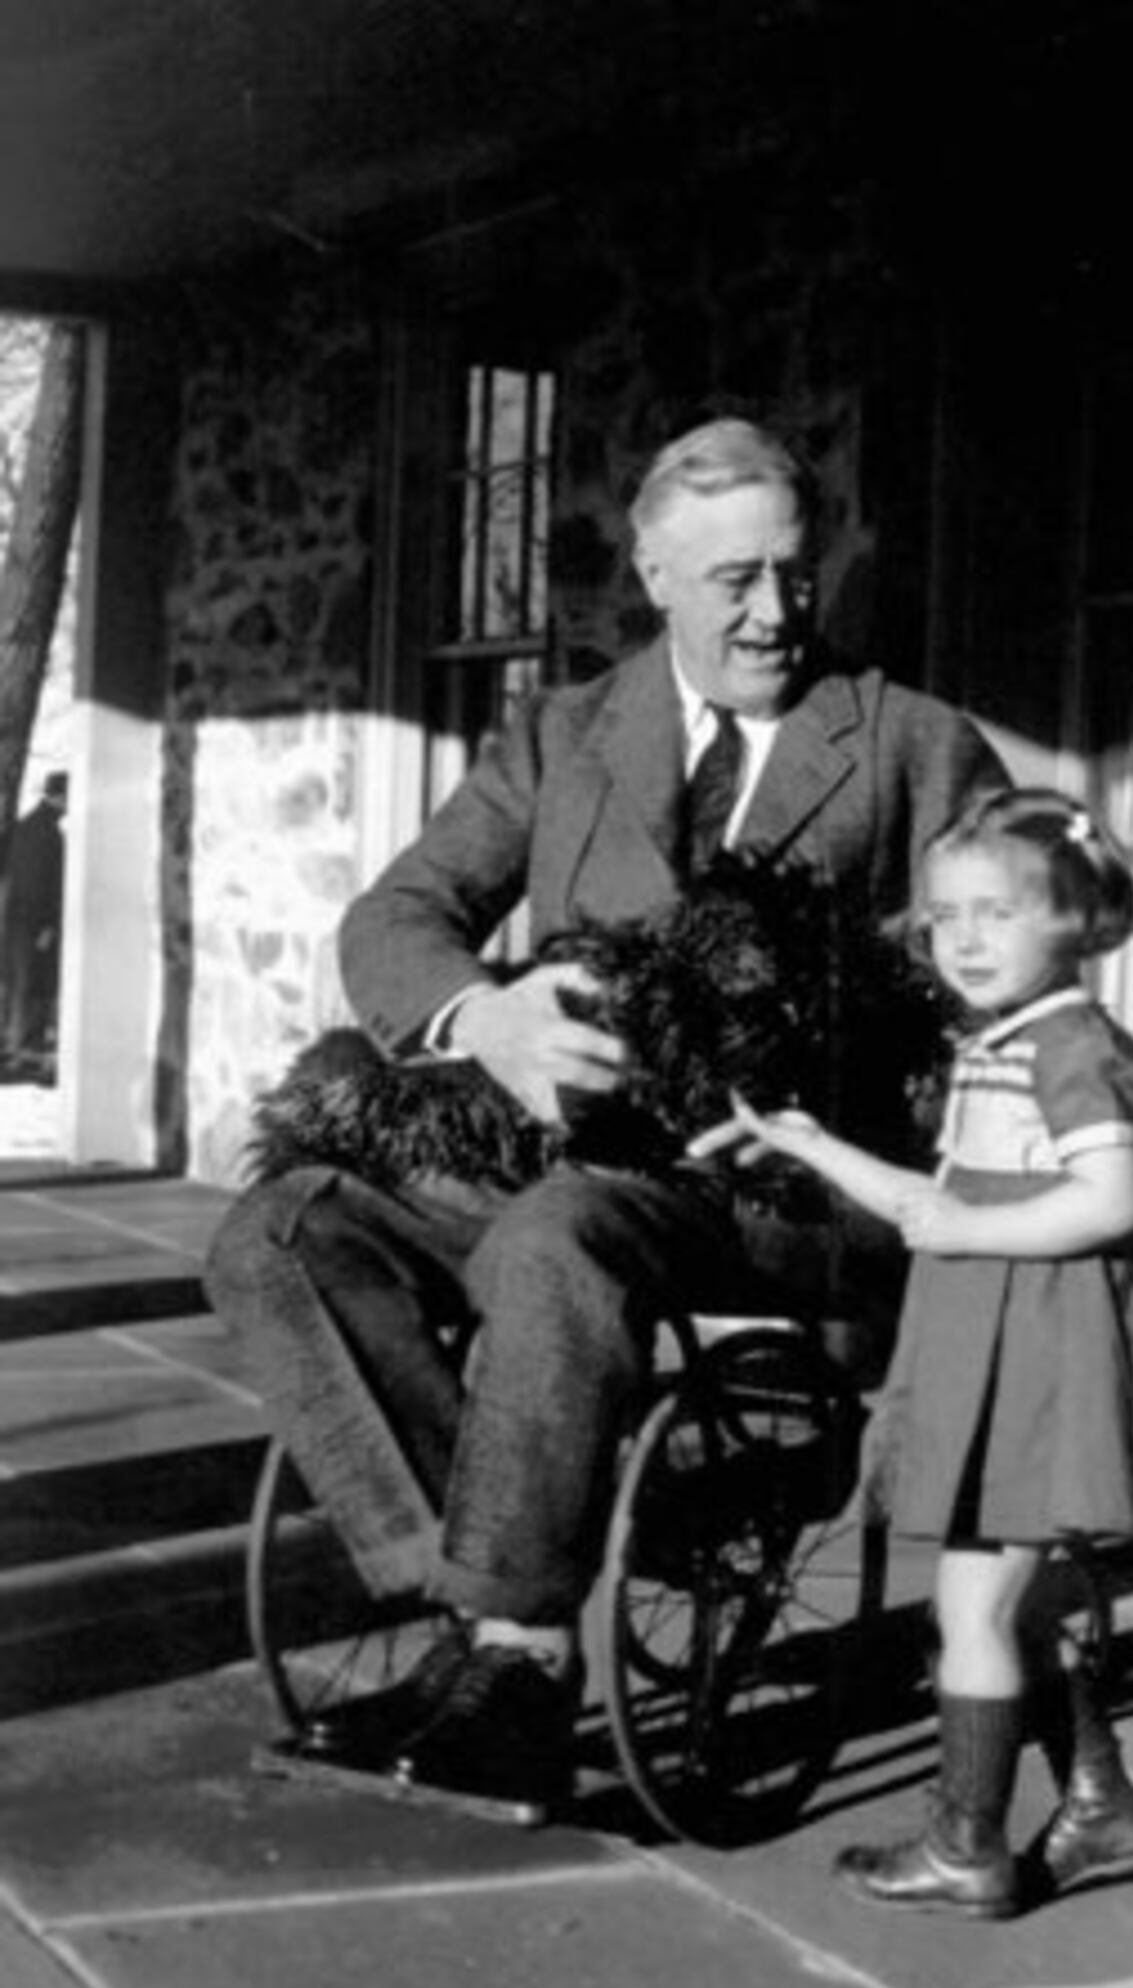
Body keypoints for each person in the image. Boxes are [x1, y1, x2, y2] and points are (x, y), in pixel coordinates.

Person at [203, 416, 1009, 1822]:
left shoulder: (912, 746)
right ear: (653, 573)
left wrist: (867, 1106)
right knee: (282, 1227)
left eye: (795, 575)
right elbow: (395, 914)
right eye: (734, 582)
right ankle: (476, 1600)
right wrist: (486, 1020)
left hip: (781, 1188)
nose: (775, 612)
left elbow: (998, 988)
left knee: (554, 1237)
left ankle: (517, 1655)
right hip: (559, 1153)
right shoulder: (566, 731)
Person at [706, 786, 1133, 1918]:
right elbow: (936, 1201)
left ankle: (968, 1843)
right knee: (1013, 1607)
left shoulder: (1071, 1045)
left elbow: (1109, 1201)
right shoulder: (1000, 1040)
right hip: (991, 1350)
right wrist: (811, 1147)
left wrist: (969, 1228)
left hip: (1042, 1365)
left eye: (997, 914)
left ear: (1079, 920)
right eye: (944, 917)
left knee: (971, 1610)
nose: (963, 938)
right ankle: (1103, 1807)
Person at [2, 769, 67, 1076]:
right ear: (60, 797)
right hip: (36, 922)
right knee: (35, 987)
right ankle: (26, 1052)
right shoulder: (50, 835)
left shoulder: (24, 826)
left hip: (16, 920)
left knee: (17, 982)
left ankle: (13, 1044)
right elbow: (44, 884)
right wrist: (48, 926)